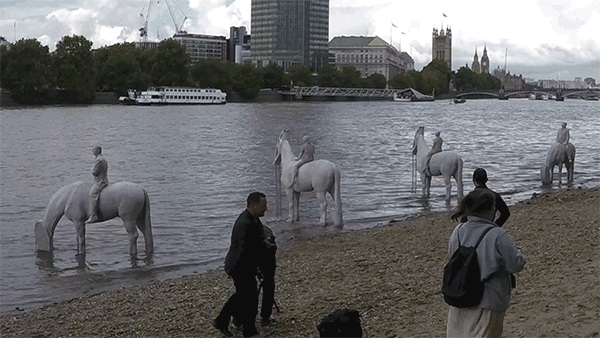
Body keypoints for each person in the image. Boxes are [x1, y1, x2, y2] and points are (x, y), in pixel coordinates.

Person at [446, 189, 526, 337]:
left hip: (460, 294)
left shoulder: (458, 230)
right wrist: (518, 250)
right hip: (489, 300)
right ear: (490, 209)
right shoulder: (497, 235)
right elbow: (516, 264)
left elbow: (452, 255)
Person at [213, 192, 271, 337]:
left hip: (243, 265)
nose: (266, 209)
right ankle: (248, 330)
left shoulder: (253, 219)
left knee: (243, 296)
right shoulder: (246, 223)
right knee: (249, 299)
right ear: (253, 205)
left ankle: (223, 321)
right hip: (240, 266)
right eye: (263, 206)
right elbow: (247, 250)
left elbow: (255, 244)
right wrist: (262, 254)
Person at [85, 145, 108, 224]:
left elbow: (95, 172)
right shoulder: (102, 158)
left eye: (93, 150)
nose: (92, 151)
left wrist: (91, 168)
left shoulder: (99, 160)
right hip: (102, 180)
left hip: (100, 182)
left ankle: (93, 215)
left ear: (97, 150)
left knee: (92, 194)